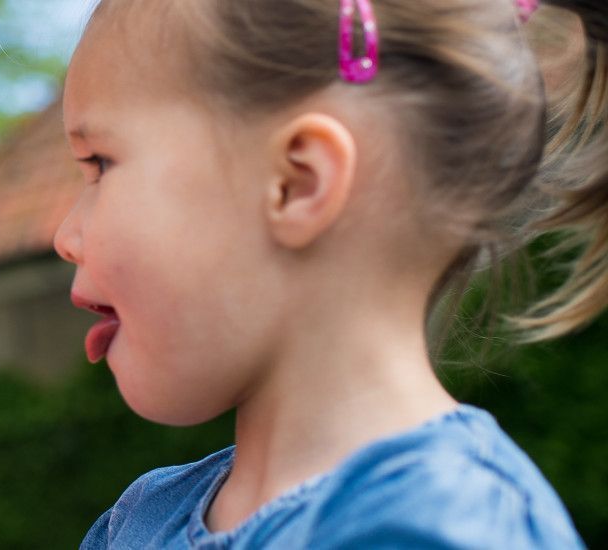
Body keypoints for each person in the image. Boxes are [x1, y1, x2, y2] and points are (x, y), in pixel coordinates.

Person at [56, 0, 605, 546]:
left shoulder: (446, 524)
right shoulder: (138, 519)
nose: (65, 237)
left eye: (99, 164)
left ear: (298, 183)